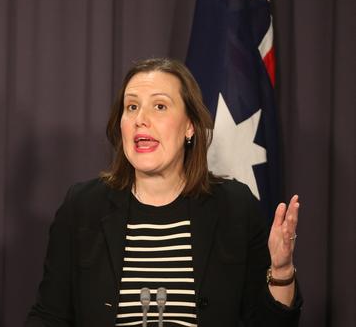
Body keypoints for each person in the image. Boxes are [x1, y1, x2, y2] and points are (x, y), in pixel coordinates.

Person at [26, 58, 302, 326]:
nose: (140, 119)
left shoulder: (236, 207)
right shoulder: (83, 207)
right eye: (131, 106)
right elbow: (49, 316)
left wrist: (281, 272)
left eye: (159, 106)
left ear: (190, 126)